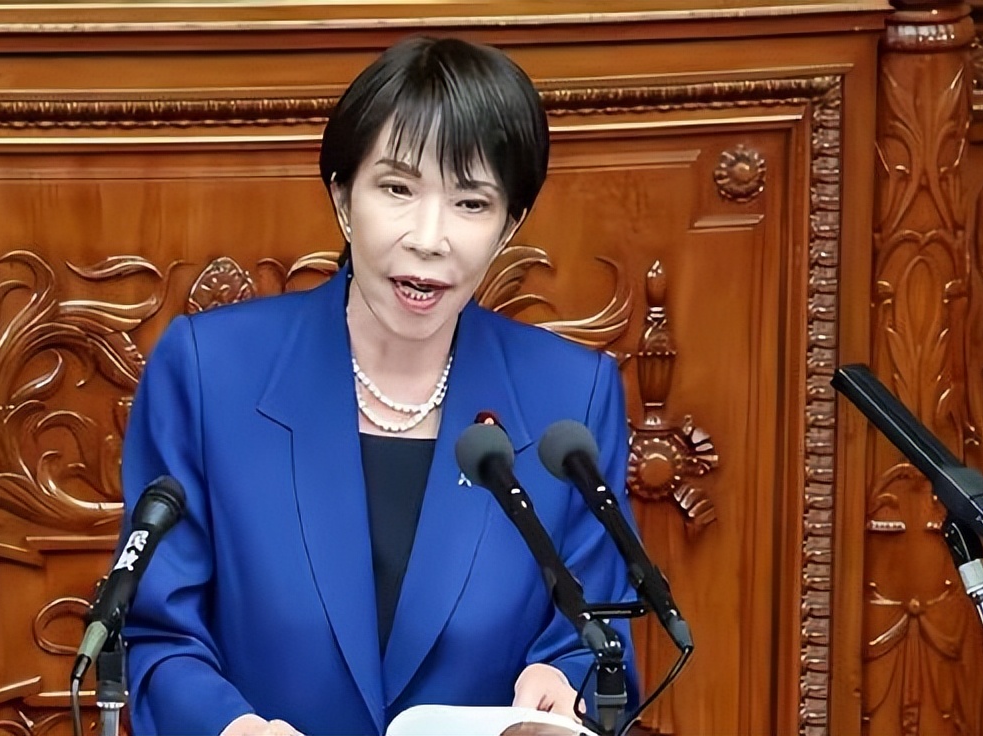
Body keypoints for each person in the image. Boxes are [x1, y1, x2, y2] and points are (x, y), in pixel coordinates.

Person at [120, 35, 641, 736]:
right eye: (397, 189)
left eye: (471, 202)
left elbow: (597, 635)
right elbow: (157, 634)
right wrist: (231, 729)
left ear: (509, 225)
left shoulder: (571, 397)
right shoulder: (209, 370)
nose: (429, 238)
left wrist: (565, 683)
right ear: (343, 197)